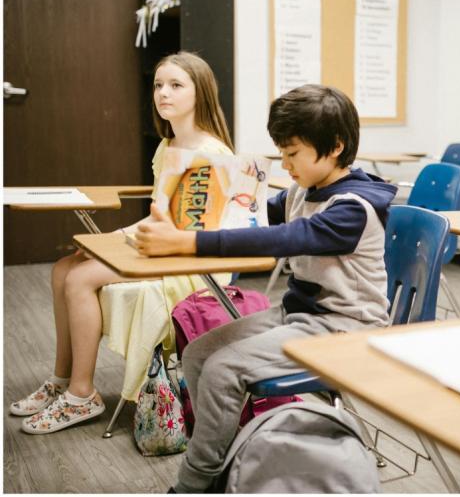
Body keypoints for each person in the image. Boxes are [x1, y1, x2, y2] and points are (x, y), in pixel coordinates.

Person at [134, 84, 397, 493]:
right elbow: (247, 217)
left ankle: (194, 483)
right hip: (299, 315)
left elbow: (282, 238)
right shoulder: (302, 191)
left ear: (335, 147)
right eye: (281, 153)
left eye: (292, 154)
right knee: (198, 354)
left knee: (223, 370)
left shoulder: (352, 208)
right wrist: (186, 211)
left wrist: (188, 242)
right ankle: (221, 459)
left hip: (346, 329)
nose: (285, 165)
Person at [11, 51, 235, 434]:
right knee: (63, 269)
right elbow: (160, 214)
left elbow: (190, 228)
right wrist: (114, 238)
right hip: (161, 245)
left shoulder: (212, 154)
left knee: (80, 278)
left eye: (176, 85)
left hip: (189, 261)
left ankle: (82, 395)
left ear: (200, 93)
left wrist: (121, 242)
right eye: (158, 85)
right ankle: (61, 380)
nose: (163, 93)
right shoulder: (168, 146)